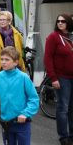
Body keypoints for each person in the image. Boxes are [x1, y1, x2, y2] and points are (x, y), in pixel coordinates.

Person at [0, 46, 39, 145]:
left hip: (22, 122)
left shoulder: (23, 77)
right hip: (6, 123)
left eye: (7, 60)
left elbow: (34, 99)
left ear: (16, 62)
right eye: (2, 59)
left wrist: (25, 113)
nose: (3, 62)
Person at [44, 14, 73, 145]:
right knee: (63, 108)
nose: (60, 23)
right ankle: (63, 136)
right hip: (62, 78)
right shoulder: (53, 37)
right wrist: (53, 78)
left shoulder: (71, 36)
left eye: (63, 21)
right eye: (58, 21)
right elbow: (48, 58)